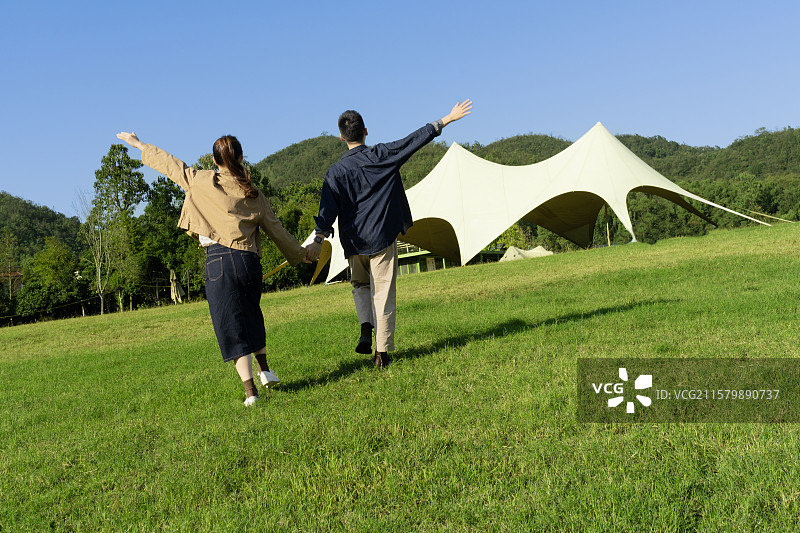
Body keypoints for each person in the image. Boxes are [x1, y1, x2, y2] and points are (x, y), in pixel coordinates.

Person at [116, 131, 311, 406]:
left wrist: (140, 145)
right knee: (252, 314)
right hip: (248, 260)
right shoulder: (253, 192)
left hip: (218, 260)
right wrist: (300, 255)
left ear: (213, 160)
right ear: (242, 158)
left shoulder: (200, 180)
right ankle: (265, 369)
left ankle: (250, 392)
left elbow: (171, 165)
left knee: (229, 324)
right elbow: (276, 230)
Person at [304, 100, 473, 367]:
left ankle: (364, 327)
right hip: (381, 237)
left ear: (341, 137)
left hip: (353, 242)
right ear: (366, 132)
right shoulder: (382, 155)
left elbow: (327, 210)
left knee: (360, 286)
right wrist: (446, 119)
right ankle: (381, 353)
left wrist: (318, 239)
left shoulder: (335, 172)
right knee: (382, 291)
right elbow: (412, 141)